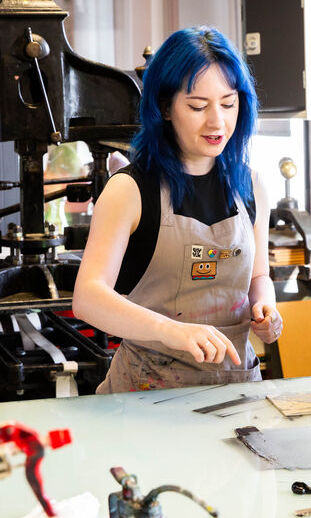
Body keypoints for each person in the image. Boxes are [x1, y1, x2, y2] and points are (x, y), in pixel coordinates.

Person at [73, 25, 282, 393]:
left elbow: (257, 277)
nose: (217, 121)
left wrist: (265, 308)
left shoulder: (252, 186)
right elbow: (88, 298)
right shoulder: (130, 190)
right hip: (147, 395)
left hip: (235, 389)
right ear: (165, 108)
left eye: (229, 103)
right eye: (198, 106)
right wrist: (172, 331)